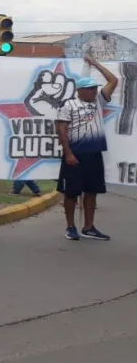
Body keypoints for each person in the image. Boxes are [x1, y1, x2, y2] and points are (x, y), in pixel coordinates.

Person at [56, 57, 118, 241]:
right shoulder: (68, 105)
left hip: (94, 154)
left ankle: (89, 227)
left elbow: (113, 80)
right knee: (71, 193)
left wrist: (95, 64)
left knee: (92, 192)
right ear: (80, 90)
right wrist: (68, 153)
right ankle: (70, 227)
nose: (94, 91)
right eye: (90, 88)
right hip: (75, 155)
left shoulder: (98, 102)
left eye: (95, 88)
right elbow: (61, 129)